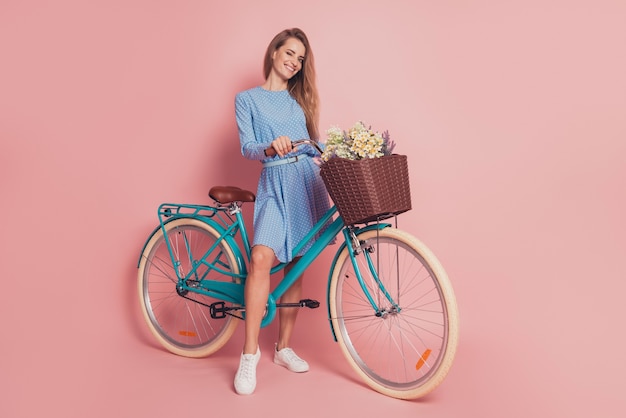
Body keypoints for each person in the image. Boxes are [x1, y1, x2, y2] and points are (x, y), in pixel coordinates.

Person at [233, 28, 330, 395]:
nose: (294, 62)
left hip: (305, 183)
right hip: (274, 184)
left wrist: (333, 148)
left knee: (297, 264)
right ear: (273, 52)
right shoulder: (247, 100)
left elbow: (313, 142)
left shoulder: (299, 99)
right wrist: (270, 147)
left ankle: (284, 347)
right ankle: (249, 354)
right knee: (261, 259)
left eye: (300, 58)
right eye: (289, 53)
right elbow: (247, 147)